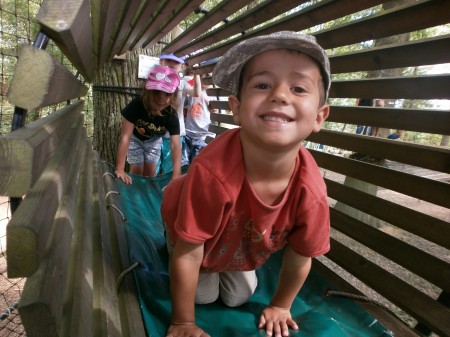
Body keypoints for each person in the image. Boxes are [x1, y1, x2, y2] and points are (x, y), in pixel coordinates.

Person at [161, 31, 331, 337]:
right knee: (202, 295)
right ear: (237, 108)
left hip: (239, 241)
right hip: (192, 234)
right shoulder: (213, 172)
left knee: (238, 297)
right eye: (263, 84)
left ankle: (222, 257)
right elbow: (190, 252)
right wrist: (183, 322)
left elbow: (301, 256)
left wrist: (280, 305)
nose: (280, 94)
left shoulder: (311, 191)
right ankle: (172, 227)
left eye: (298, 87)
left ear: (319, 117)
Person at [115, 65, 182, 184]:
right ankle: (134, 194)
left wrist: (176, 175)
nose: (161, 99)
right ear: (148, 90)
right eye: (156, 92)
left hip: (154, 142)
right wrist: (120, 169)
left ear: (173, 95)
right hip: (135, 139)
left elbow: (175, 145)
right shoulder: (137, 105)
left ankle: (145, 197)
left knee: (150, 174)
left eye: (167, 94)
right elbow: (126, 136)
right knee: (137, 171)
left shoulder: (171, 114)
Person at [158, 53, 201, 173]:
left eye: (176, 62)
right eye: (168, 60)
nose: (172, 64)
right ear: (161, 62)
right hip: (156, 131)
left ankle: (166, 190)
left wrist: (196, 73)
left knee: (169, 168)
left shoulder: (182, 83)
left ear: (182, 66)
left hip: (176, 133)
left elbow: (196, 93)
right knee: (153, 167)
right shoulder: (155, 80)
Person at [184, 73, 216, 162]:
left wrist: (214, 108)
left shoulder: (214, 94)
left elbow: (216, 111)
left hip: (203, 136)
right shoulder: (193, 90)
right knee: (184, 163)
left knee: (197, 162)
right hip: (188, 133)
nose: (207, 78)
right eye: (205, 76)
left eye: (210, 76)